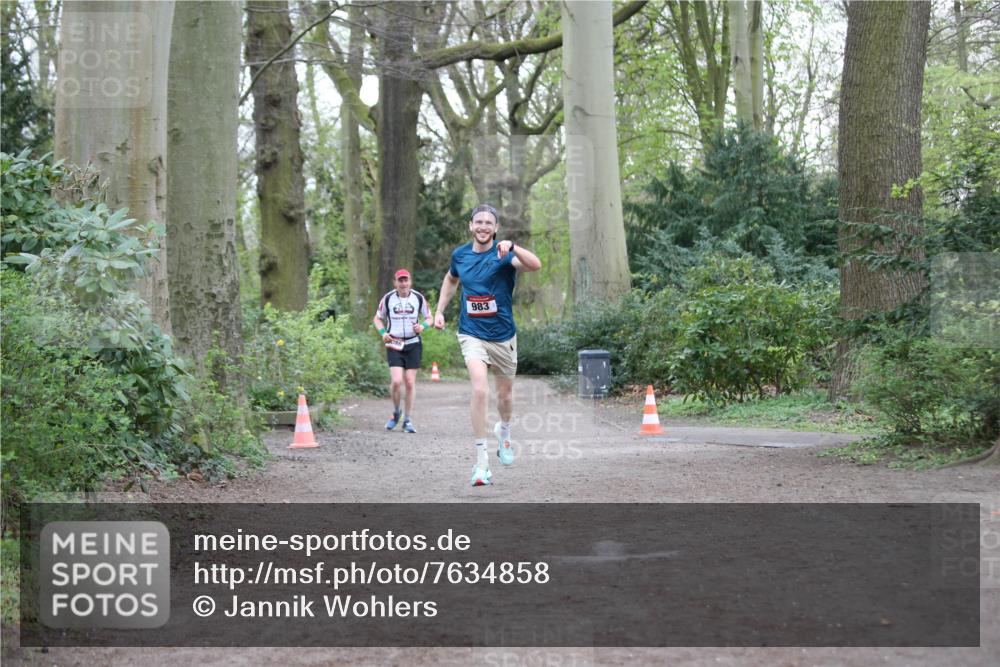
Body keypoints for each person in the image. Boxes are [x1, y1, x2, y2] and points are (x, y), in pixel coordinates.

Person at [433, 204, 541, 486]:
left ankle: (504, 432)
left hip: (504, 337)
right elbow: (451, 278)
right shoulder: (460, 255)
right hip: (471, 333)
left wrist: (515, 247)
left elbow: (535, 265)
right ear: (471, 226)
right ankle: (481, 464)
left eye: (488, 223)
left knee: (504, 398)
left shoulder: (504, 255)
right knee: (479, 390)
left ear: (495, 228)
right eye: (478, 222)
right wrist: (440, 310)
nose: (483, 226)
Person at [374, 268, 432, 433]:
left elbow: (430, 317)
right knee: (397, 381)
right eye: (400, 280)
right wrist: (383, 333)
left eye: (406, 280)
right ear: (395, 283)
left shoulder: (418, 298)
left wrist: (423, 326)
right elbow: (377, 318)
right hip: (395, 344)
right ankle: (396, 412)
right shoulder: (388, 299)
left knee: (409, 382)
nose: (403, 284)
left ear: (410, 282)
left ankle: (407, 420)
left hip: (413, 344)